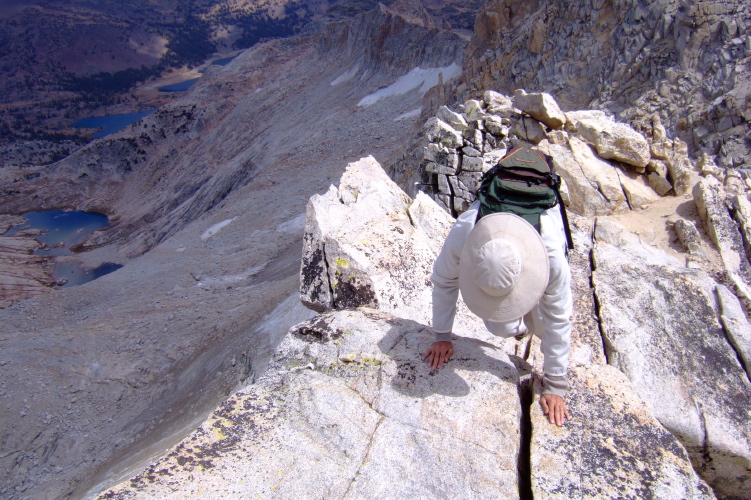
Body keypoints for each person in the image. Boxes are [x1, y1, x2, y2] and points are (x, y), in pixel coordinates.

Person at [423, 200, 572, 426]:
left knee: (543, 325)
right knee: (499, 326)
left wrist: (555, 384)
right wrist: (442, 335)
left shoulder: (551, 256)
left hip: (542, 225)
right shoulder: (464, 235)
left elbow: (559, 318)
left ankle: (531, 318)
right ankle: (521, 325)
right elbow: (443, 281)